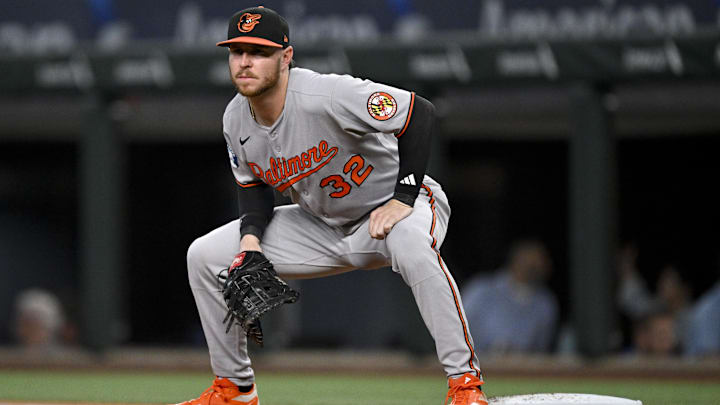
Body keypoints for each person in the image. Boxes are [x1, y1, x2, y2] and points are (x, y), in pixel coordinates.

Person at [182, 6, 485, 405]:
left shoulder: (326, 94)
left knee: (414, 246)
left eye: (258, 52)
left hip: (391, 212)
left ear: (286, 58)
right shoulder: (235, 120)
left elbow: (418, 112)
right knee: (204, 256)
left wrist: (403, 196)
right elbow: (253, 186)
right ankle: (235, 390)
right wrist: (251, 240)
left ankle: (465, 383)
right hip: (321, 225)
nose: (244, 62)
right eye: (237, 52)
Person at [462, 239, 558, 353]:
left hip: (521, 368)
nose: (537, 269)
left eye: (541, 264)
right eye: (531, 265)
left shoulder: (545, 303)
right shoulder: (481, 290)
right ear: (517, 261)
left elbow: (541, 349)